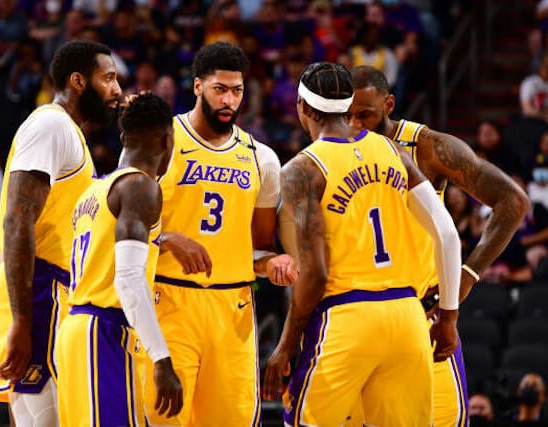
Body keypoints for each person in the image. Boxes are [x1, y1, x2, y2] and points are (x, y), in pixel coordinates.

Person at [263, 61, 461, 426]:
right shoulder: (393, 150)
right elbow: (447, 234)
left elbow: (316, 273)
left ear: (303, 107)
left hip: (346, 317)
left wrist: (286, 345)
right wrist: (448, 315)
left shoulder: (302, 170)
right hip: (407, 318)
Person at [349, 65, 530, 426]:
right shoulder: (333, 152)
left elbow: (513, 201)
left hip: (421, 315)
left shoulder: (428, 147)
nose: (354, 125)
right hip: (359, 316)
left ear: (388, 105)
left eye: (364, 114)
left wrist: (466, 277)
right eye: (346, 116)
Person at [145, 41, 296, 427]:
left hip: (233, 310)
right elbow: (120, 224)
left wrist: (273, 262)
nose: (229, 100)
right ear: (198, 86)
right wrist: (165, 238)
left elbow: (259, 248)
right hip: (168, 303)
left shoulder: (262, 158)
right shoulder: (161, 140)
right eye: (220, 89)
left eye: (237, 91)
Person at [0, 40, 121, 426]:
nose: (117, 89)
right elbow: (16, 221)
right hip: (39, 292)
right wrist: (20, 320)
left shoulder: (70, 134)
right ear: (78, 81)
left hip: (49, 292)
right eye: (108, 78)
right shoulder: (51, 125)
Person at [56, 93, 183, 426]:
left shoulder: (95, 191)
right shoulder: (141, 187)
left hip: (76, 329)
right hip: (104, 330)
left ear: (124, 137)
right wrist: (162, 359)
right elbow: (128, 278)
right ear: (167, 141)